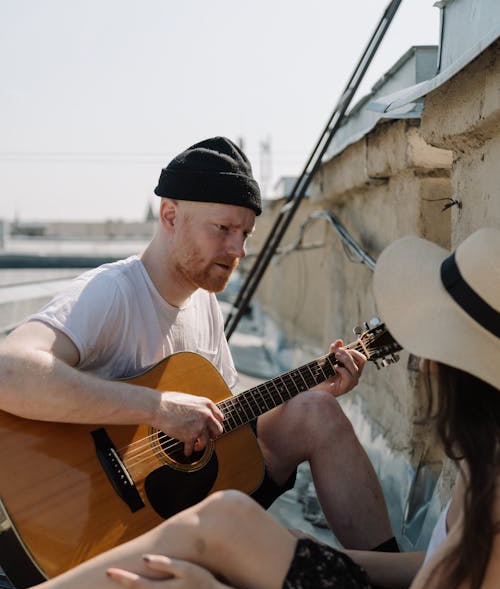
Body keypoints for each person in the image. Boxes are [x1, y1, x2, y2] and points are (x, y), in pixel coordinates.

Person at [2, 228, 499, 589]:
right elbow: (445, 567)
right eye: (225, 228)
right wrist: (313, 556)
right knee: (226, 520)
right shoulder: (487, 457)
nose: (424, 362)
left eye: (433, 344)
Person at [0, 136, 394, 552]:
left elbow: (226, 418)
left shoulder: (205, 302)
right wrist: (157, 408)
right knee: (292, 558)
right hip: (94, 522)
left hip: (181, 501)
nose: (238, 249)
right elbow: (9, 371)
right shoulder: (111, 292)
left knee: (318, 411)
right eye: (223, 228)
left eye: (245, 233)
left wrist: (310, 384)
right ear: (170, 215)